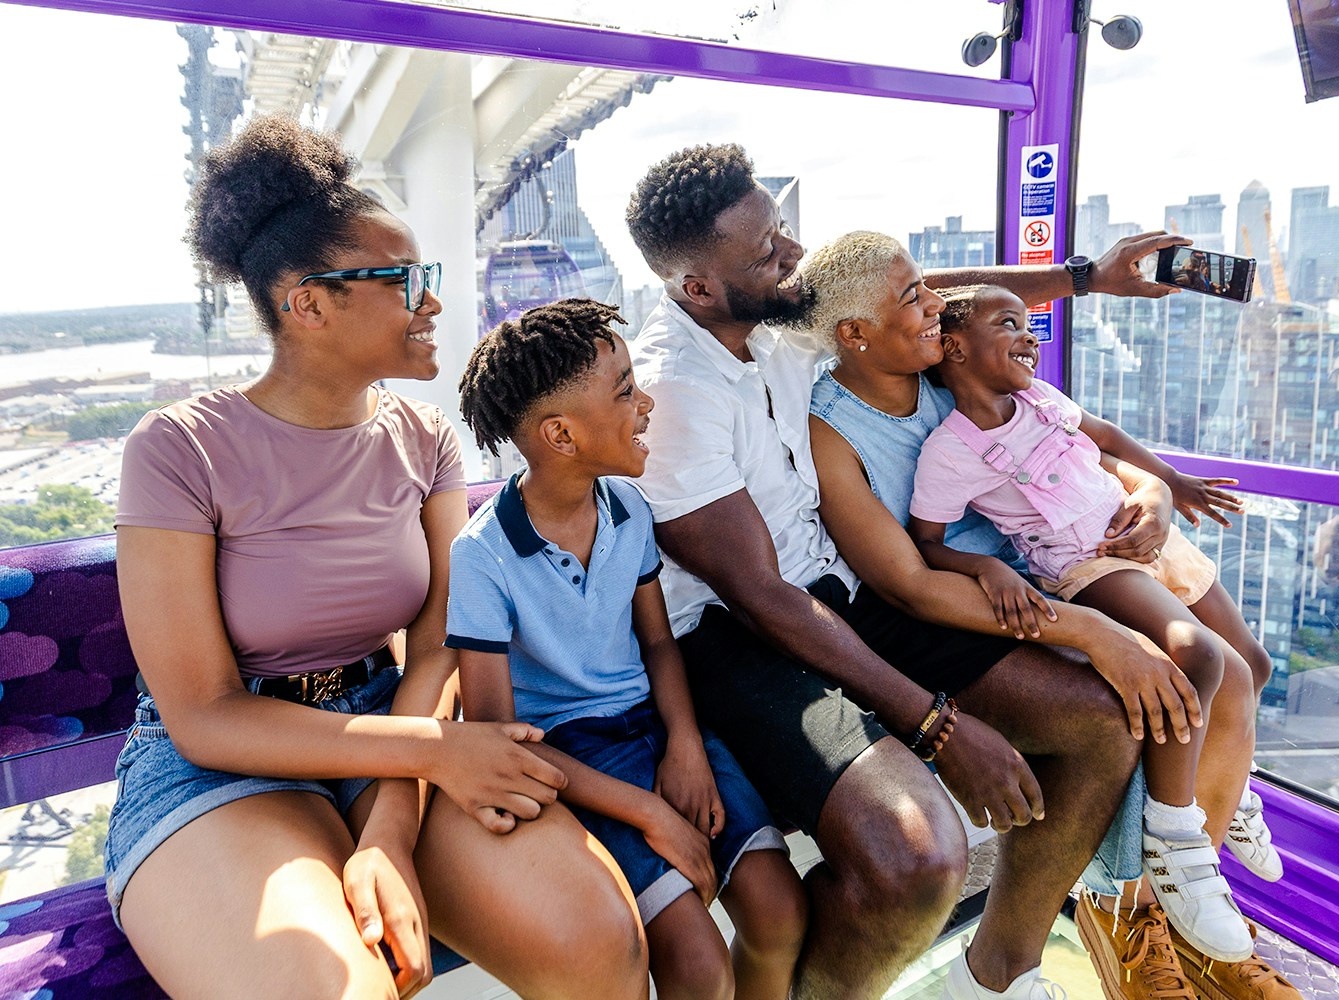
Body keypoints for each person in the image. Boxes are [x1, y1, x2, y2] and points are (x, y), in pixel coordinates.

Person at [623, 142, 1194, 1000]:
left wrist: (1082, 276)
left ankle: (998, 974)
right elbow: (766, 600)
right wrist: (937, 726)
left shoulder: (770, 310)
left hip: (842, 596)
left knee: (1103, 721)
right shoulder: (676, 392)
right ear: (697, 288)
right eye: (767, 250)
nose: (791, 256)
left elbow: (911, 292)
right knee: (920, 854)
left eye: (781, 231)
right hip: (736, 636)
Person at [107, 115, 647, 1000]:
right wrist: (430, 751)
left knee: (598, 940)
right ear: (308, 302)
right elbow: (204, 711)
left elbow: (436, 645)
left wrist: (394, 820)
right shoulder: (179, 450)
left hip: (389, 722)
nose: (432, 300)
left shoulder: (424, 440)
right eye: (404, 280)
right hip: (223, 758)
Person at [800, 232, 1301, 1000]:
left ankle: (1172, 911)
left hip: (1039, 570)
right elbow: (909, 582)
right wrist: (1090, 631)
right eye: (913, 298)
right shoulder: (836, 427)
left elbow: (1078, 434)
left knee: (1232, 672)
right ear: (854, 333)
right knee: (1146, 693)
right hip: (962, 598)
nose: (933, 303)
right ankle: (1105, 922)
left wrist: (1156, 489)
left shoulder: (947, 363)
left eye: (931, 296)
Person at [447, 299, 806, 1000]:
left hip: (657, 729)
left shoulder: (629, 510)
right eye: (625, 391)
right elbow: (500, 742)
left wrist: (685, 747)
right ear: (561, 434)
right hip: (571, 759)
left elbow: (657, 644)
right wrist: (650, 813)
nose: (647, 404)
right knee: (697, 967)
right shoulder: (482, 558)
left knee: (780, 912)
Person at [908, 283, 1276, 964]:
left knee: (1253, 665)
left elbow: (1106, 439)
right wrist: (985, 568)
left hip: (1148, 539)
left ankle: (1234, 792)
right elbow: (927, 540)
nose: (1029, 336)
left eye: (1030, 324)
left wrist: (1168, 484)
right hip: (1091, 567)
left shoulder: (1041, 403)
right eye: (1007, 323)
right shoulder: (950, 450)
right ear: (953, 346)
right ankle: (1174, 835)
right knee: (1200, 658)